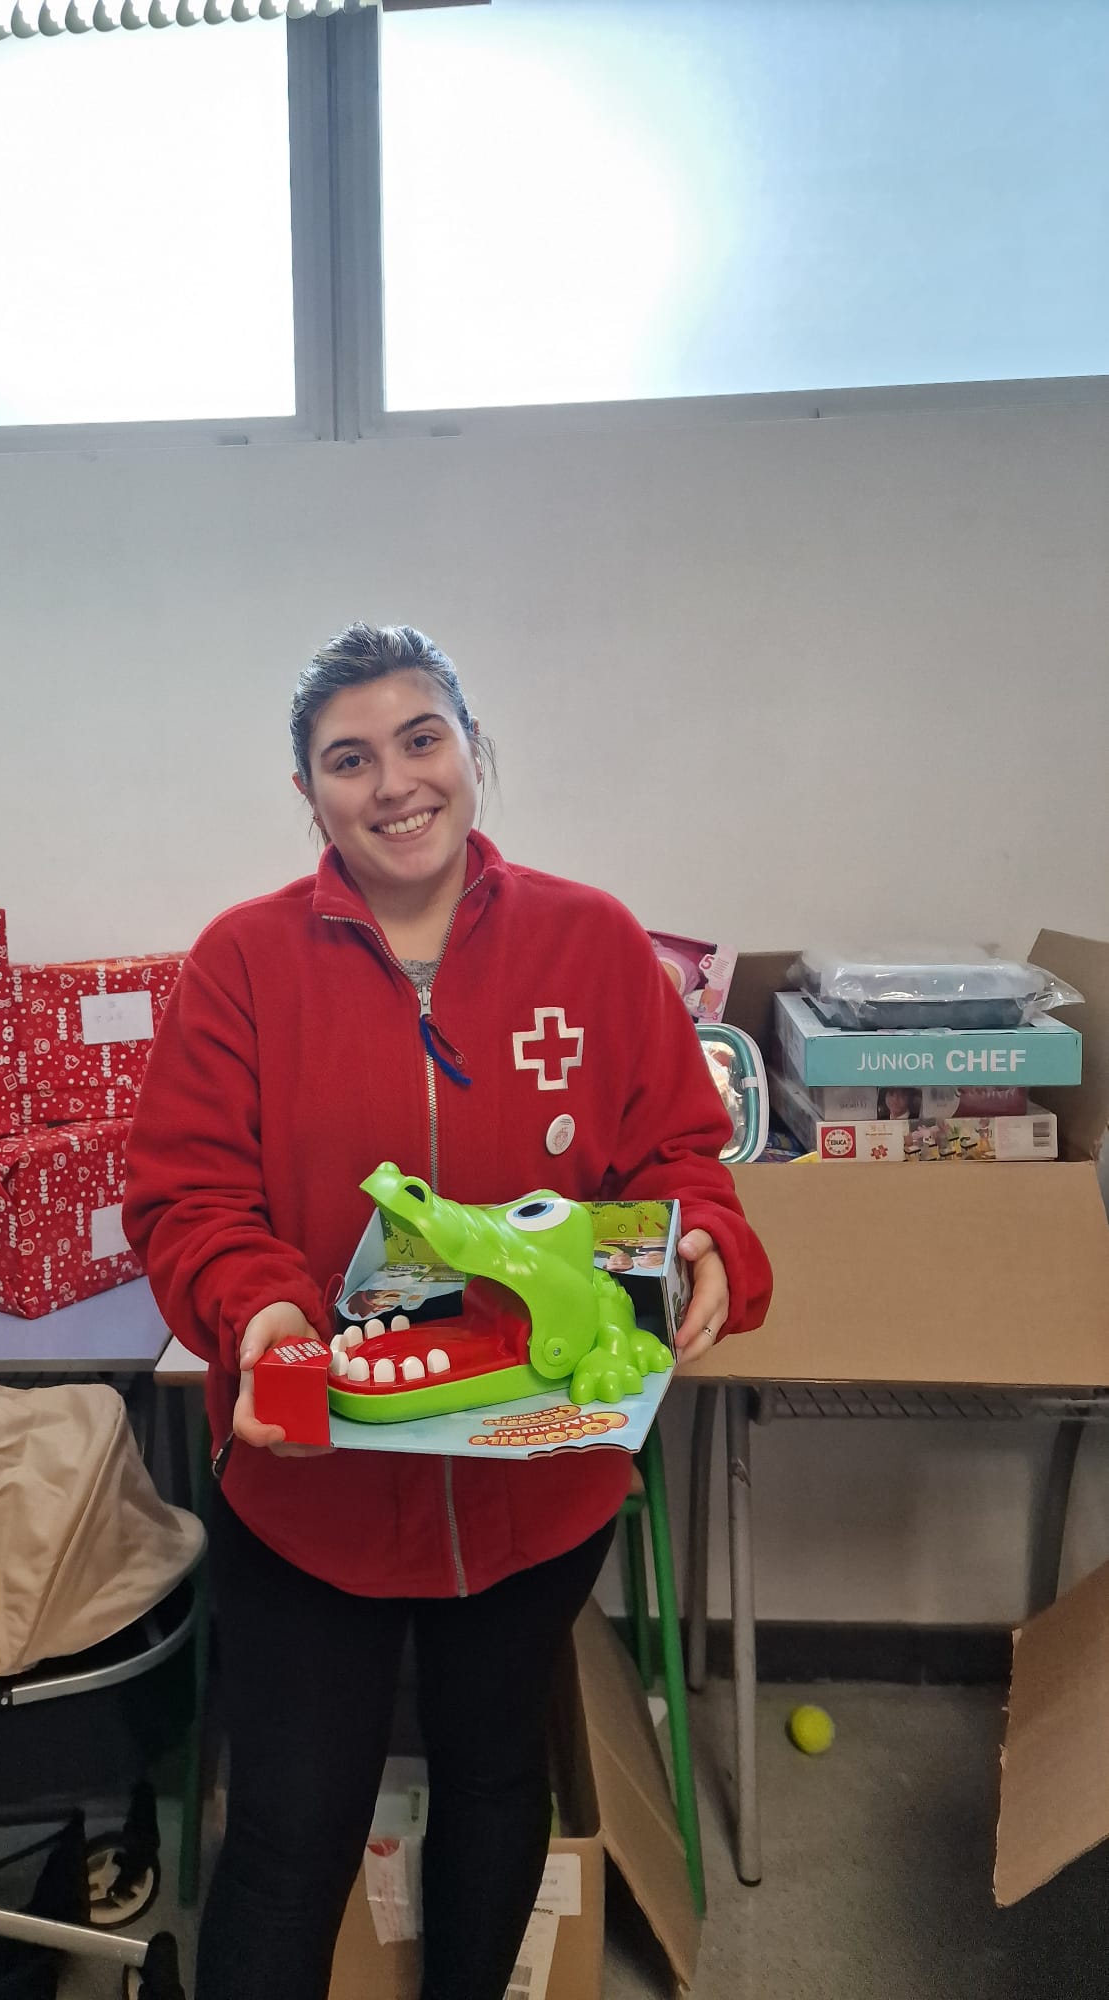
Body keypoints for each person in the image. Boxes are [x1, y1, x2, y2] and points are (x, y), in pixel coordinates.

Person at [124, 622, 773, 2000]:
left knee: (494, 1792)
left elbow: (675, 1163)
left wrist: (706, 1240)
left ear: (474, 753)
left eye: (421, 740)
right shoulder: (240, 963)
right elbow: (186, 1199)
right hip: (314, 1494)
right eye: (347, 759)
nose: (393, 783)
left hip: (536, 1488)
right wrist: (263, 1315)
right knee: (291, 1833)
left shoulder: (592, 940)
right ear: (309, 794)